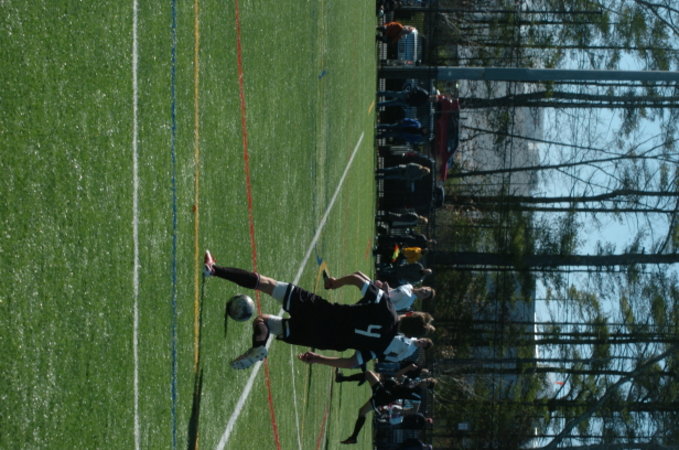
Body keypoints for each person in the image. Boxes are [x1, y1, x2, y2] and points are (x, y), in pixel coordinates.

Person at [203, 251, 433, 369]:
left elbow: (357, 279)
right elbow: (352, 363)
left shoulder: (388, 309)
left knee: (266, 284)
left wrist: (335, 283)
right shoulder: (381, 347)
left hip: (320, 311)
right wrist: (319, 359)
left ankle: (213, 270)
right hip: (320, 338)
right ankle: (258, 347)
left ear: (410, 314)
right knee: (263, 322)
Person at [340, 370, 437, 444]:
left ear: (426, 387)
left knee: (369, 376)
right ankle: (353, 438)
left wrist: (401, 410)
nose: (424, 380)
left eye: (426, 382)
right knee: (362, 409)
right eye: (426, 379)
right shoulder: (416, 381)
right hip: (386, 391)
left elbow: (414, 410)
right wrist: (400, 379)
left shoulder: (417, 396)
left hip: (385, 397)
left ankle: (353, 438)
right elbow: (400, 380)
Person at [324, 272, 435, 314]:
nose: (424, 291)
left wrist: (385, 290)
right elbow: (394, 291)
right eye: (426, 290)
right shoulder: (409, 286)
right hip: (379, 292)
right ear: (424, 286)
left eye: (425, 294)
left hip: (378, 300)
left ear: (423, 298)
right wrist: (384, 286)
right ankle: (334, 284)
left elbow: (389, 306)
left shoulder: (408, 301)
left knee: (355, 278)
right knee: (358, 274)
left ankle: (333, 283)